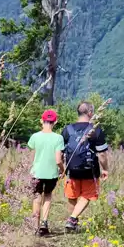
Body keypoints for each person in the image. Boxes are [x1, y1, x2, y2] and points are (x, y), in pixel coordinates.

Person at [62, 101, 109, 233]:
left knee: (72, 196)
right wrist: (105, 169)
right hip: (90, 169)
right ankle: (72, 219)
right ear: (90, 113)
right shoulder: (96, 130)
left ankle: (71, 225)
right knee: (87, 195)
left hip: (71, 169)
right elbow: (102, 154)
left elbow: (60, 151)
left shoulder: (67, 129)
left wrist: (61, 169)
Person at [28, 109, 65, 236]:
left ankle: (35, 226)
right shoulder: (58, 138)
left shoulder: (34, 137)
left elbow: (31, 156)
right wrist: (63, 170)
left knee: (36, 197)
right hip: (51, 174)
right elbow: (58, 160)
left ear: (41, 121)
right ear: (55, 122)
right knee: (48, 195)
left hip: (36, 172)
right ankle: (44, 223)